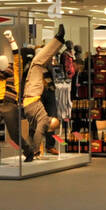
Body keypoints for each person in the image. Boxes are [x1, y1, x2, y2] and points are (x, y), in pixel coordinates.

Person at [22, 24, 65, 158]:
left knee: (40, 124)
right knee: (42, 123)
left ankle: (31, 150)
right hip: (33, 99)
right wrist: (58, 39)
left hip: (33, 99)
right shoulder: (35, 65)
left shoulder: (40, 67)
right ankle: (33, 150)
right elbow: (44, 55)